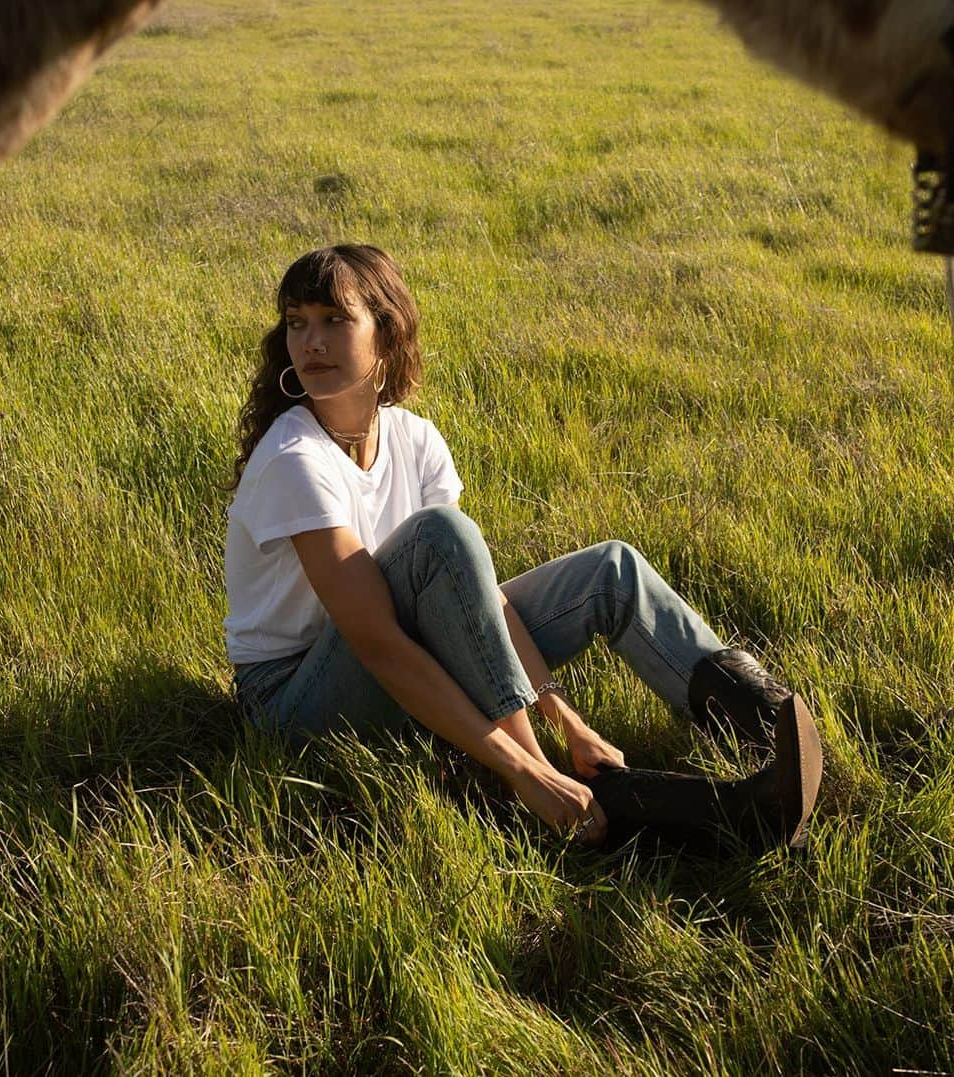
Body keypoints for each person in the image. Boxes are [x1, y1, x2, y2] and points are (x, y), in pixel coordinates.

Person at [224, 244, 822, 851]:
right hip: (294, 701)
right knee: (442, 534)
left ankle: (773, 730)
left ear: (388, 331)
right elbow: (378, 644)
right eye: (297, 322)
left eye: (334, 319)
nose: (311, 342)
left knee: (610, 571)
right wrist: (526, 768)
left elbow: (474, 600)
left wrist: (565, 717)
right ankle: (565, 801)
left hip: (399, 650)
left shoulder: (414, 438)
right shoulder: (295, 460)